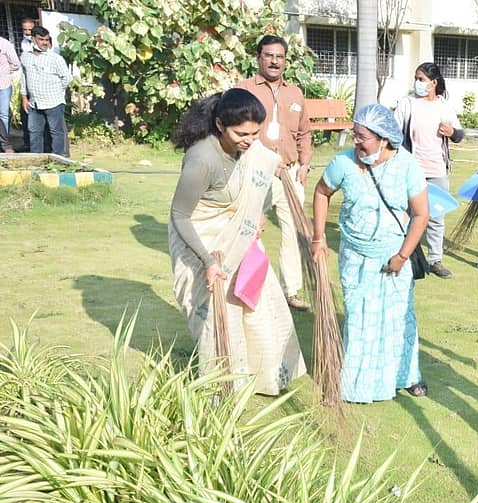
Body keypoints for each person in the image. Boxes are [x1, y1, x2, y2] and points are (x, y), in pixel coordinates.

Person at [168, 89, 306, 394]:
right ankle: (222, 383)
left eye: (255, 133)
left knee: (257, 302)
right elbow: (180, 215)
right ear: (220, 125)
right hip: (201, 242)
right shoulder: (202, 159)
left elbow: (260, 163)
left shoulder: (248, 148)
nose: (249, 140)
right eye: (241, 133)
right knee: (217, 315)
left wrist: (256, 212)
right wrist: (207, 261)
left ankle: (258, 376)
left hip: (237, 239)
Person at [311, 104, 429, 403]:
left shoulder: (407, 165)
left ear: (384, 138)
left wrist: (402, 257)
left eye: (361, 136)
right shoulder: (343, 163)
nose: (356, 142)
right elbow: (322, 192)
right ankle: (353, 385)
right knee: (359, 318)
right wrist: (318, 236)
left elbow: (420, 215)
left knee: (396, 318)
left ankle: (407, 375)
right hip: (355, 257)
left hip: (394, 259)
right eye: (354, 135)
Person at [236, 35, 312, 311]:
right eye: (269, 55)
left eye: (279, 57)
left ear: (285, 60)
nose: (274, 61)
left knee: (293, 231)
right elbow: (237, 133)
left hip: (290, 175)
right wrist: (268, 161)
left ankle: (290, 290)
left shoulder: (295, 93)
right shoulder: (244, 90)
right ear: (259, 57)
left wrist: (304, 164)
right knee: (250, 228)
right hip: (257, 172)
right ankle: (249, 285)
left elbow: (304, 132)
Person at [394, 61, 464, 279]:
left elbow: (459, 134)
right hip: (412, 169)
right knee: (405, 213)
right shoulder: (407, 104)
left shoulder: (444, 106)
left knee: (436, 217)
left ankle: (435, 260)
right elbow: (394, 133)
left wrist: (451, 131)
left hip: (437, 169)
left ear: (434, 83)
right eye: (416, 78)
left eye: (422, 79)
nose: (417, 83)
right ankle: (405, 256)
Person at [19, 26, 71, 156]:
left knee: (56, 132)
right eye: (41, 39)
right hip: (34, 102)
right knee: (34, 132)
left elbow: (66, 78)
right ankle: (37, 160)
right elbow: (23, 77)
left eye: (46, 40)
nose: (44, 43)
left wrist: (58, 93)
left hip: (53, 101)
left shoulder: (55, 58)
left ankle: (60, 160)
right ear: (33, 39)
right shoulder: (25, 56)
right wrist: (24, 97)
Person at [0, 35, 20, 137]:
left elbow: (16, 63)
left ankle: (4, 141)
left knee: (3, 114)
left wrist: (5, 72)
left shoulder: (4, 44)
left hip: (3, 84)